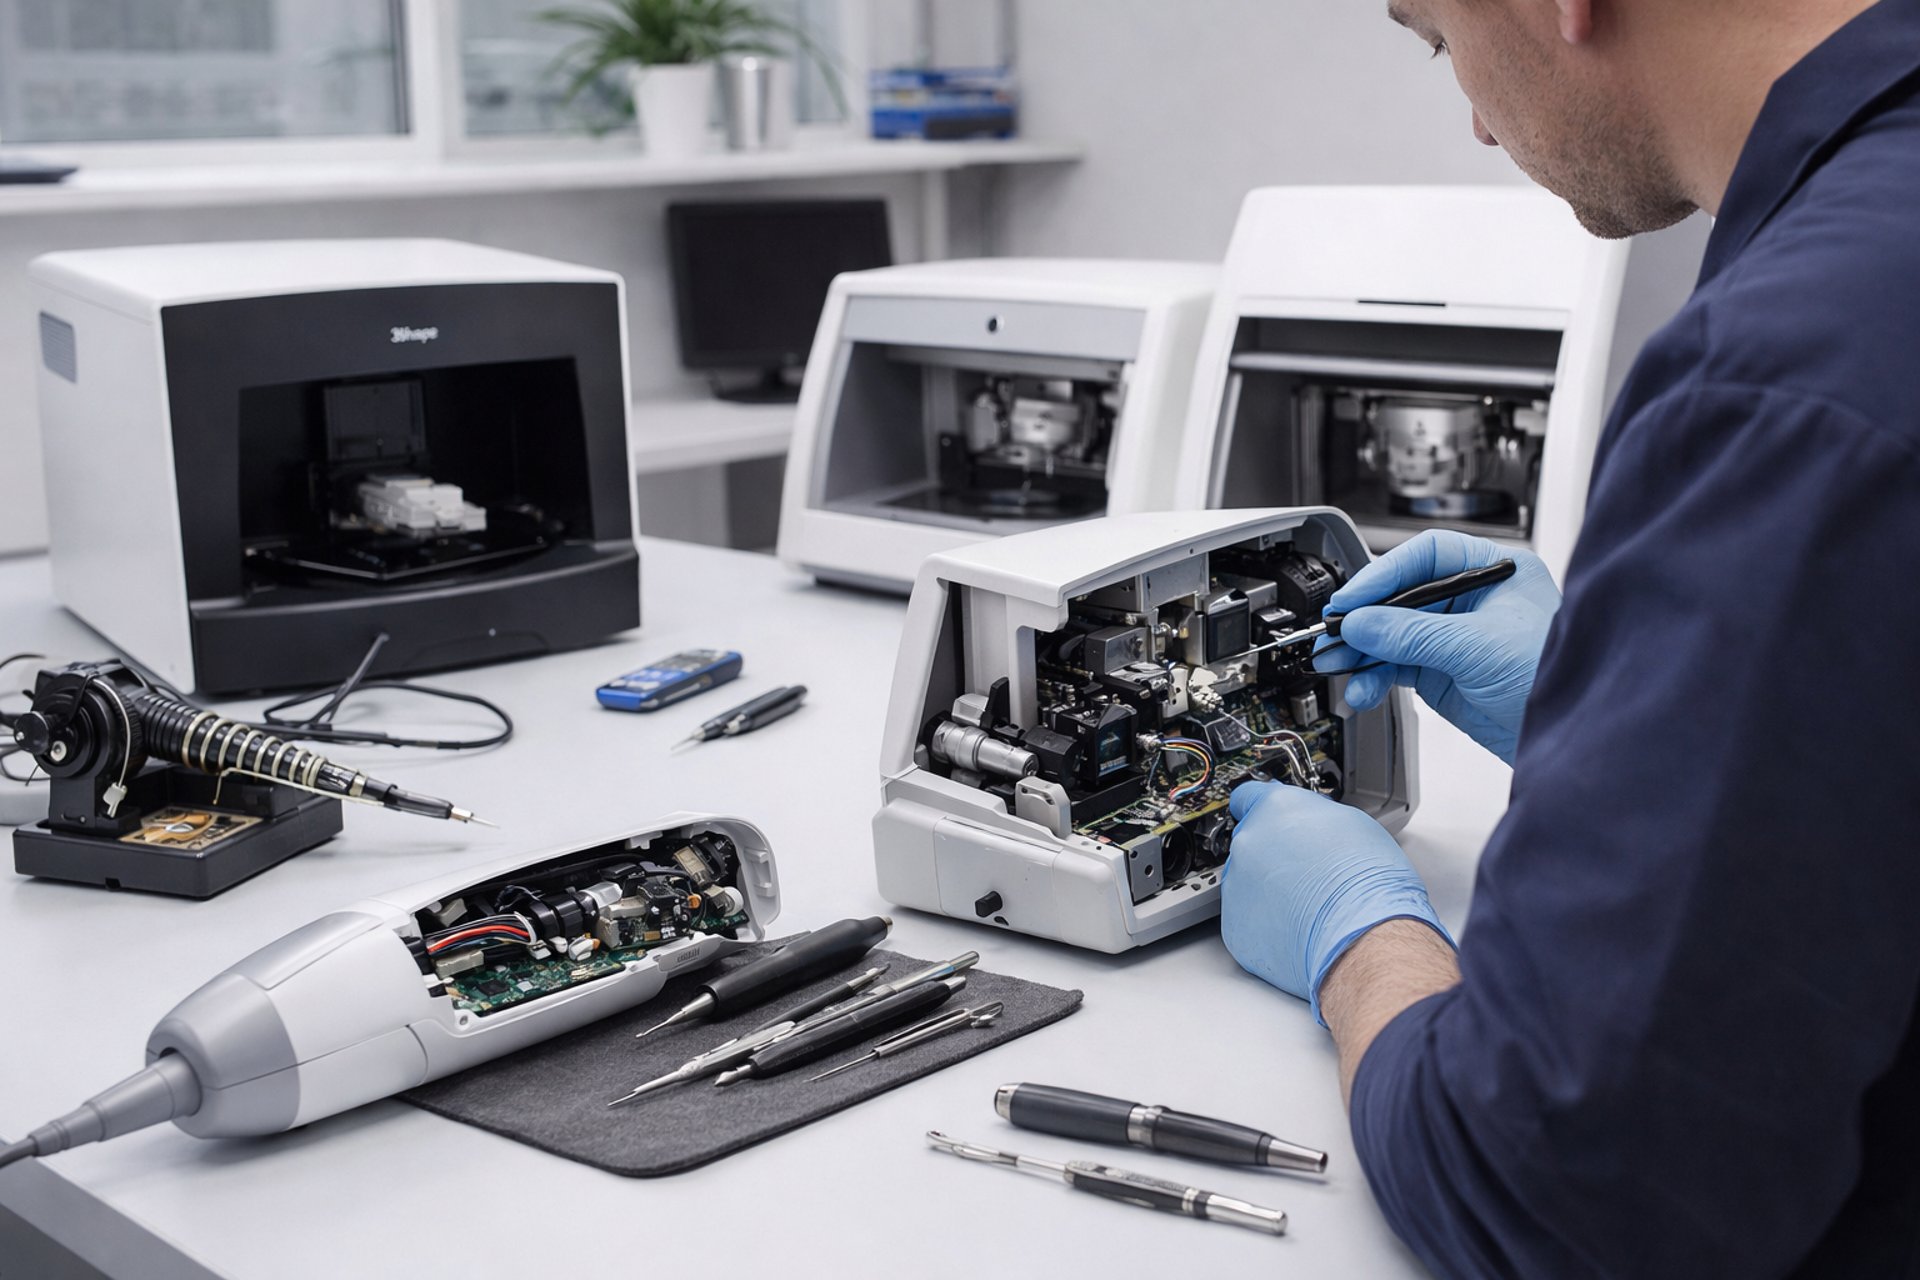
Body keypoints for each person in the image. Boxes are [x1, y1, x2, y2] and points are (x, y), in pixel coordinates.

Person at [1218, 0, 1920, 1274]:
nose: (1480, 124)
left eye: (1440, 40)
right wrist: (1641, 705)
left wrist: (1359, 935)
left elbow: (1550, 1194)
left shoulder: (1788, 376)